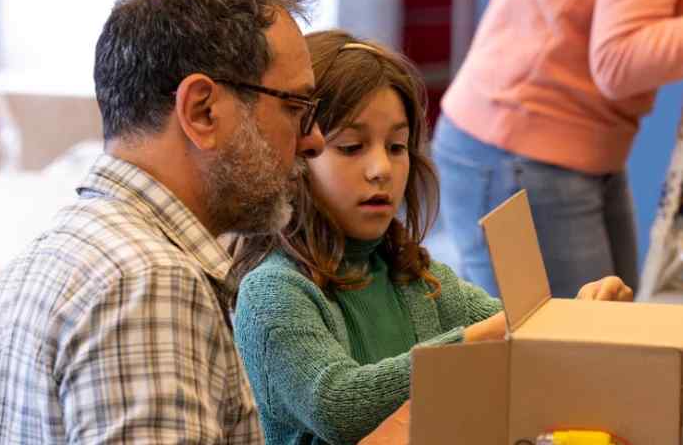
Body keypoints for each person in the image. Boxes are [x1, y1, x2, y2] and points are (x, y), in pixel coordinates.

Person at [0, 0, 326, 444]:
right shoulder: (149, 283)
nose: (313, 139)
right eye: (295, 106)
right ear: (202, 111)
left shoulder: (39, 267)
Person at [230, 30, 633, 445]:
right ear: (297, 155)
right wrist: (484, 339)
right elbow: (339, 407)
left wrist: (582, 317)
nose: (381, 169)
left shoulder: (418, 279)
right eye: (351, 147)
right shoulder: (271, 292)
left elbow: (525, 337)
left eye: (396, 147)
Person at [435, 0, 683, 298]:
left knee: (613, 325)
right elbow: (617, 59)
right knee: (579, 333)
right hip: (524, 148)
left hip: (553, 141)